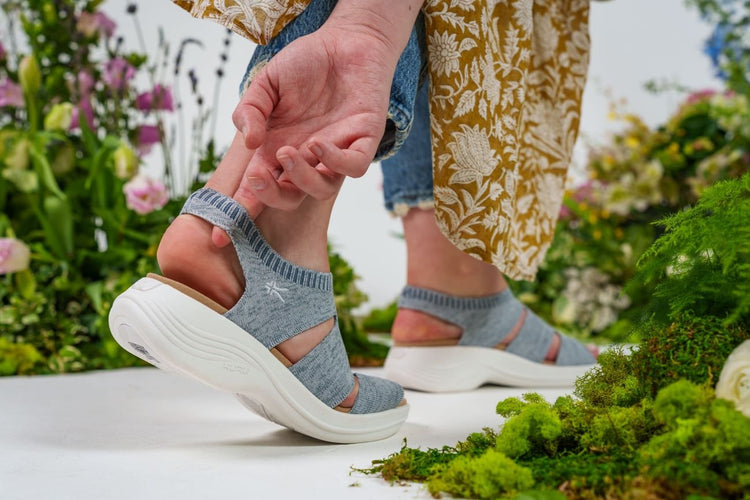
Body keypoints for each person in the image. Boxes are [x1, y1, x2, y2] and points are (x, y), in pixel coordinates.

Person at [109, 0, 597, 443]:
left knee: (467, 14)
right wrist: (365, 26)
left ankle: (455, 286)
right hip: (255, 250)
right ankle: (259, 245)